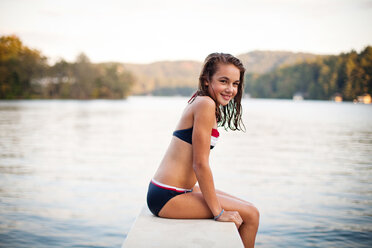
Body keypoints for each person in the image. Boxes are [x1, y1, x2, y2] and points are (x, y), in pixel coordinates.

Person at [146, 53, 259, 248]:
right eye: (224, 81)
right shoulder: (205, 104)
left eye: (235, 83)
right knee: (251, 215)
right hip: (168, 197)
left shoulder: (203, 101)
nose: (230, 89)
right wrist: (219, 213)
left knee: (247, 207)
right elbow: (199, 164)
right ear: (207, 81)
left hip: (171, 191)